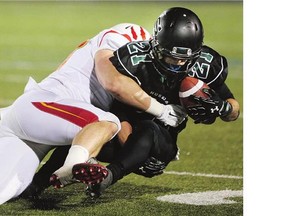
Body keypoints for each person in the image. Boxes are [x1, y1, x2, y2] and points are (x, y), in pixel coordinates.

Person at [22, 7, 240, 200]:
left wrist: (224, 108)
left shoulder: (206, 65)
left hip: (163, 139)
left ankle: (107, 178)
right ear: (156, 44)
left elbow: (234, 108)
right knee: (82, 130)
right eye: (171, 58)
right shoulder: (136, 59)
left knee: (149, 129)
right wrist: (133, 151)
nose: (178, 64)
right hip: (128, 130)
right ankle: (36, 184)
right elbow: (118, 109)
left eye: (184, 59)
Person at [0, 23, 187, 205]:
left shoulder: (147, 71)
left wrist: (148, 153)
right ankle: (72, 166)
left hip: (42, 126)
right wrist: (160, 110)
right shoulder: (132, 35)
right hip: (43, 104)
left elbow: (126, 125)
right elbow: (113, 84)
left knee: (9, 188)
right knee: (105, 121)